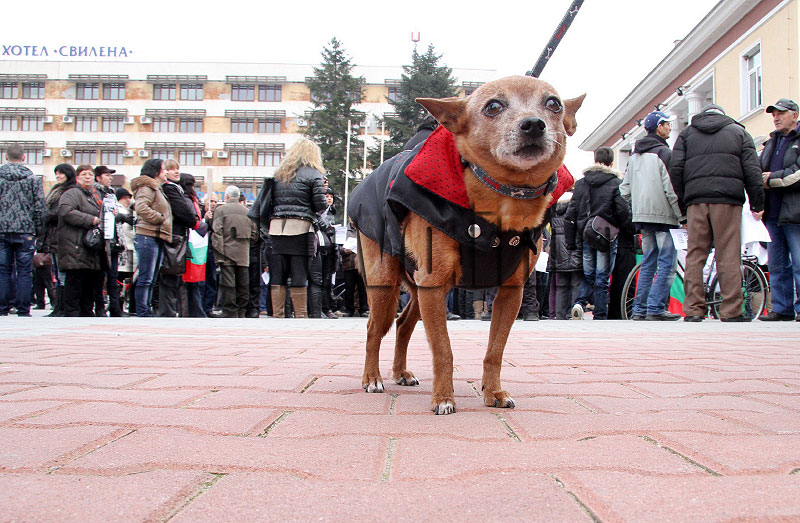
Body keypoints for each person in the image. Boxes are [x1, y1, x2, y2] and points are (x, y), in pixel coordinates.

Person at [670, 104, 764, 322]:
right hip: (728, 200)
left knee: (695, 254)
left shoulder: (686, 134)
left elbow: (675, 169)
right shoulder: (739, 132)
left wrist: (685, 201)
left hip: (696, 201)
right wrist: (757, 203)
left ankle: (693, 309)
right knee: (728, 253)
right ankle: (731, 311)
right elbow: (752, 170)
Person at [620, 111, 683, 321]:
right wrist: (681, 216)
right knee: (667, 263)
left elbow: (625, 190)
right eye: (667, 124)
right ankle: (656, 308)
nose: (669, 128)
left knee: (648, 262)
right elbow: (671, 189)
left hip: (642, 217)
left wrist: (637, 206)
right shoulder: (664, 153)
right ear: (659, 127)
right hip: (664, 216)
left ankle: (639, 309)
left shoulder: (634, 156)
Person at [565, 147, 631, 320]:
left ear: (595, 160)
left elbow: (570, 214)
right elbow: (623, 210)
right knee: (602, 277)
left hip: (586, 234)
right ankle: (600, 314)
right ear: (611, 162)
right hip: (606, 235)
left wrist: (570, 241)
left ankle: (579, 303)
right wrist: (630, 230)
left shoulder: (581, 183)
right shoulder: (616, 183)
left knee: (589, 274)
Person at [268, 138, 328, 318]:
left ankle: (278, 315)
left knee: (278, 274)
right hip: (302, 228)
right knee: (299, 273)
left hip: (277, 228)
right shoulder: (314, 174)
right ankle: (301, 315)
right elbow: (320, 204)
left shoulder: (280, 174)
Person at [759, 98, 800, 321]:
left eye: (781, 113)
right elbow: (759, 170)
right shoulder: (771, 142)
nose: (776, 117)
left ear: (795, 115)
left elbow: (797, 173)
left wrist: (771, 180)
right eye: (774, 114)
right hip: (772, 214)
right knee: (777, 265)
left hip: (795, 213)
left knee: (799, 264)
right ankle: (782, 309)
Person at [0, 143, 46, 317]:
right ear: (24, 157)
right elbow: (40, 208)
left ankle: (3, 307)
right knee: (24, 271)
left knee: (3, 270)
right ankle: (23, 309)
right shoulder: (33, 180)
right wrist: (39, 231)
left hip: (2, 230)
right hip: (26, 231)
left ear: (5, 157)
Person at [56, 165, 105, 316]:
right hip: (75, 246)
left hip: (91, 249)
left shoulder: (97, 196)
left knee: (89, 284)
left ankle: (85, 313)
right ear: (77, 177)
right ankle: (72, 314)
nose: (88, 177)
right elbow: (67, 212)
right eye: (84, 174)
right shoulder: (71, 194)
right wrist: (91, 219)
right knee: (75, 282)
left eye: (90, 174)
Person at [156, 159, 201, 317]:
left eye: (177, 169)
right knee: (170, 274)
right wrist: (193, 220)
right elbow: (183, 212)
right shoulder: (170, 188)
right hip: (174, 235)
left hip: (177, 235)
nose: (176, 172)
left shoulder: (175, 188)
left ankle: (170, 309)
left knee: (174, 275)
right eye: (171, 169)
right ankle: (167, 310)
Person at [130, 159, 172, 317]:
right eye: (163, 169)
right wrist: (160, 218)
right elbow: (141, 207)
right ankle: (142, 310)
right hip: (147, 235)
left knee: (151, 277)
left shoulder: (156, 188)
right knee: (146, 277)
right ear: (156, 172)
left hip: (156, 235)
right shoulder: (147, 187)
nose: (166, 172)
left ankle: (145, 308)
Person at [211, 185, 257, 318]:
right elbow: (255, 234)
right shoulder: (247, 211)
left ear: (226, 196)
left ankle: (230, 311)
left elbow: (217, 233)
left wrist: (219, 252)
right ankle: (242, 311)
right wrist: (246, 245)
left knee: (228, 284)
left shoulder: (220, 210)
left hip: (226, 253)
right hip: (244, 253)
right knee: (243, 283)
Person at [41, 164, 77, 317]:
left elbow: (60, 211)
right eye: (56, 173)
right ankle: (58, 305)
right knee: (56, 271)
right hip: (53, 236)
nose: (58, 176)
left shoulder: (69, 191)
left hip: (63, 235)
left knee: (62, 272)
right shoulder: (56, 189)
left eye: (61, 173)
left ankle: (63, 306)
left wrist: (47, 214)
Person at [178, 173, 209, 318]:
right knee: (191, 280)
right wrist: (204, 225)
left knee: (190, 280)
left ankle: (191, 310)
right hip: (193, 242)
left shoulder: (187, 199)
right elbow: (193, 219)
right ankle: (194, 311)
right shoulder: (190, 199)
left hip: (193, 241)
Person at [547, 196, 583, 319]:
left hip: (557, 249)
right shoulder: (576, 205)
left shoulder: (554, 206)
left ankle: (559, 314)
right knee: (576, 282)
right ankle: (573, 313)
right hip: (574, 246)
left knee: (561, 284)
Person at [115, 187, 137, 314]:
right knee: (122, 280)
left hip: (131, 250)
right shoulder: (119, 212)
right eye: (124, 198)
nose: (127, 200)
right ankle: (119, 305)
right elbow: (125, 231)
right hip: (124, 251)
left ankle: (126, 305)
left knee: (130, 280)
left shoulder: (130, 212)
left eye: (129, 198)